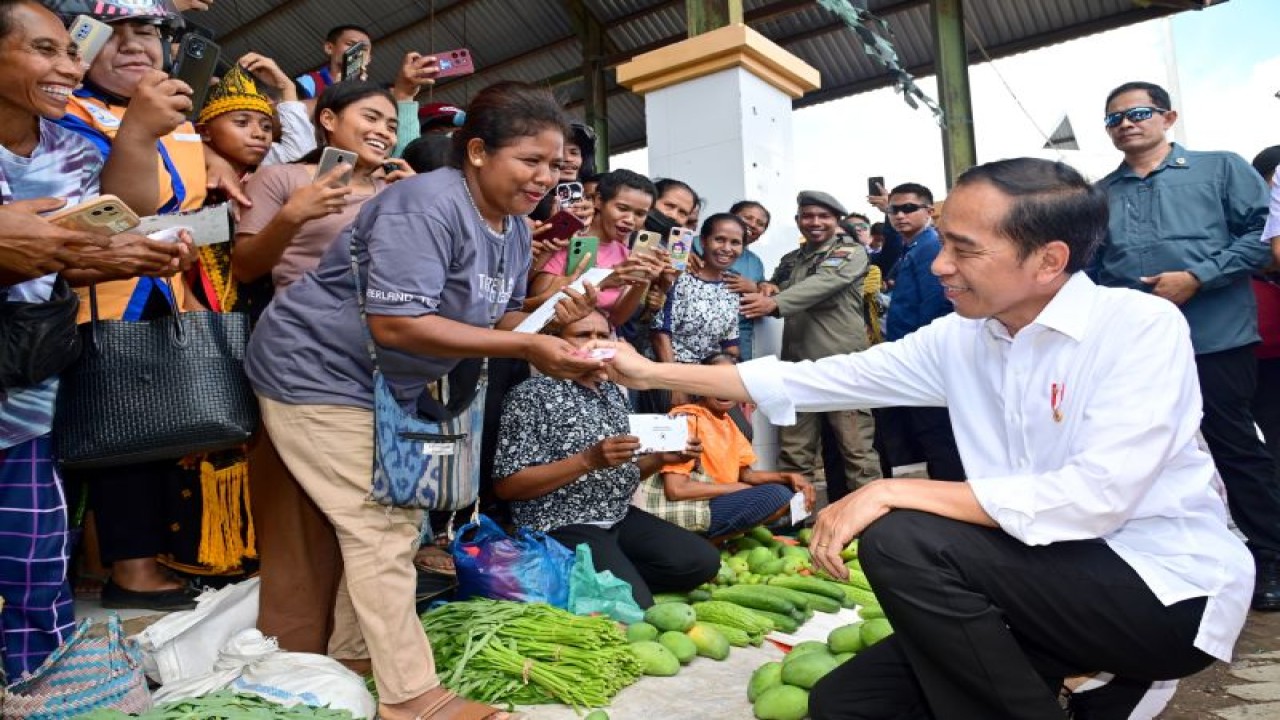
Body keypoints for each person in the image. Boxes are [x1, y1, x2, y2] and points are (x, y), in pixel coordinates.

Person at [588, 157, 1252, 720]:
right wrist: (645, 369)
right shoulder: (963, 337)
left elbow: (1095, 496)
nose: (940, 265)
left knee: (901, 535)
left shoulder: (1136, 327)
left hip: (1160, 590)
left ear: (1049, 259)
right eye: (943, 240)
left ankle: (1090, 681)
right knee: (843, 705)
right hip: (1032, 583)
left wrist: (889, 491)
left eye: (965, 248)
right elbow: (820, 377)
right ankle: (1070, 687)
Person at [244, 80, 600, 720]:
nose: (546, 177)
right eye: (530, 160)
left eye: (554, 164)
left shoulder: (514, 229)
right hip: (318, 370)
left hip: (388, 382)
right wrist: (524, 349)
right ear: (477, 152)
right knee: (377, 527)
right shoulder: (424, 205)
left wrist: (546, 317)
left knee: (393, 524)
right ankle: (410, 700)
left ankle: (356, 658)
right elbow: (397, 323)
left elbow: (486, 317)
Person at [0, 0, 190, 675]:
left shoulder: (72, 149)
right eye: (45, 50)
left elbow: (106, 231)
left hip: (25, 388)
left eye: (70, 52)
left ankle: (37, 683)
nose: (69, 67)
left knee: (33, 555)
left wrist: (123, 252)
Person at [1093, 80, 1280, 611]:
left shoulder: (1219, 168)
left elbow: (1261, 239)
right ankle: (1156, 563)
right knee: (1143, 451)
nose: (1127, 123)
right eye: (1115, 119)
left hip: (1216, 335)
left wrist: (1198, 276)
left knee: (1233, 444)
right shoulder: (1102, 193)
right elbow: (1097, 267)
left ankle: (1270, 556)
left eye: (1139, 112)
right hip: (1139, 347)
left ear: (1168, 117)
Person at [492, 310, 720, 608]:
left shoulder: (612, 392)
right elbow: (507, 486)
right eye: (583, 335)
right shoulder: (531, 395)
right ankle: (608, 585)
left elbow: (622, 474)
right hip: (561, 522)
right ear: (555, 342)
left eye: (602, 335)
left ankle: (609, 582)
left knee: (701, 562)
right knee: (636, 607)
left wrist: (662, 458)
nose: (595, 343)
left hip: (617, 516)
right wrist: (587, 460)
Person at [741, 191, 879, 503]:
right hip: (798, 368)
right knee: (794, 452)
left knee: (857, 452)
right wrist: (768, 287)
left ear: (836, 221)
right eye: (808, 216)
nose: (815, 222)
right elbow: (778, 283)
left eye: (824, 216)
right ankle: (794, 523)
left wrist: (773, 301)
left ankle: (873, 527)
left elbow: (822, 285)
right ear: (798, 221)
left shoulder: (850, 253)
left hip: (843, 366)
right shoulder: (792, 259)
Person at [233, 81, 410, 291]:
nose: (384, 133)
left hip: (381, 319)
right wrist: (291, 216)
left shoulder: (396, 192)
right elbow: (244, 270)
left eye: (392, 127)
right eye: (371, 118)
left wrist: (424, 200)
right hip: (302, 318)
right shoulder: (279, 178)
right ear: (328, 119)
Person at [651, 353, 814, 539]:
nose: (723, 388)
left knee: (792, 490)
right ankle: (709, 541)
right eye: (716, 380)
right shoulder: (687, 419)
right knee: (776, 495)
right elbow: (676, 490)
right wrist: (736, 488)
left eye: (730, 381)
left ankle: (719, 540)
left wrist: (788, 476)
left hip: (720, 499)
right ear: (701, 384)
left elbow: (746, 474)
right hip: (695, 506)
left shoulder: (729, 422)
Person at [871, 182, 966, 483]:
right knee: (925, 437)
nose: (900, 215)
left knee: (938, 437)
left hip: (926, 359)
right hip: (912, 356)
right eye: (893, 210)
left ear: (929, 211)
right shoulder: (910, 247)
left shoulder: (930, 248)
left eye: (909, 208)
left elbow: (935, 306)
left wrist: (924, 355)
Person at [531, 168, 663, 328]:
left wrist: (642, 280)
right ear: (599, 201)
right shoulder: (566, 242)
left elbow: (616, 320)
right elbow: (536, 301)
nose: (630, 219)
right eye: (622, 208)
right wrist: (603, 282)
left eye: (640, 214)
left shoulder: (628, 256)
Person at [295, 24, 371, 100]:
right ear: (329, 48)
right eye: (350, 44)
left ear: (368, 59)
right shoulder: (308, 82)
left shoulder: (372, 95)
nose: (357, 51)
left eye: (364, 49)